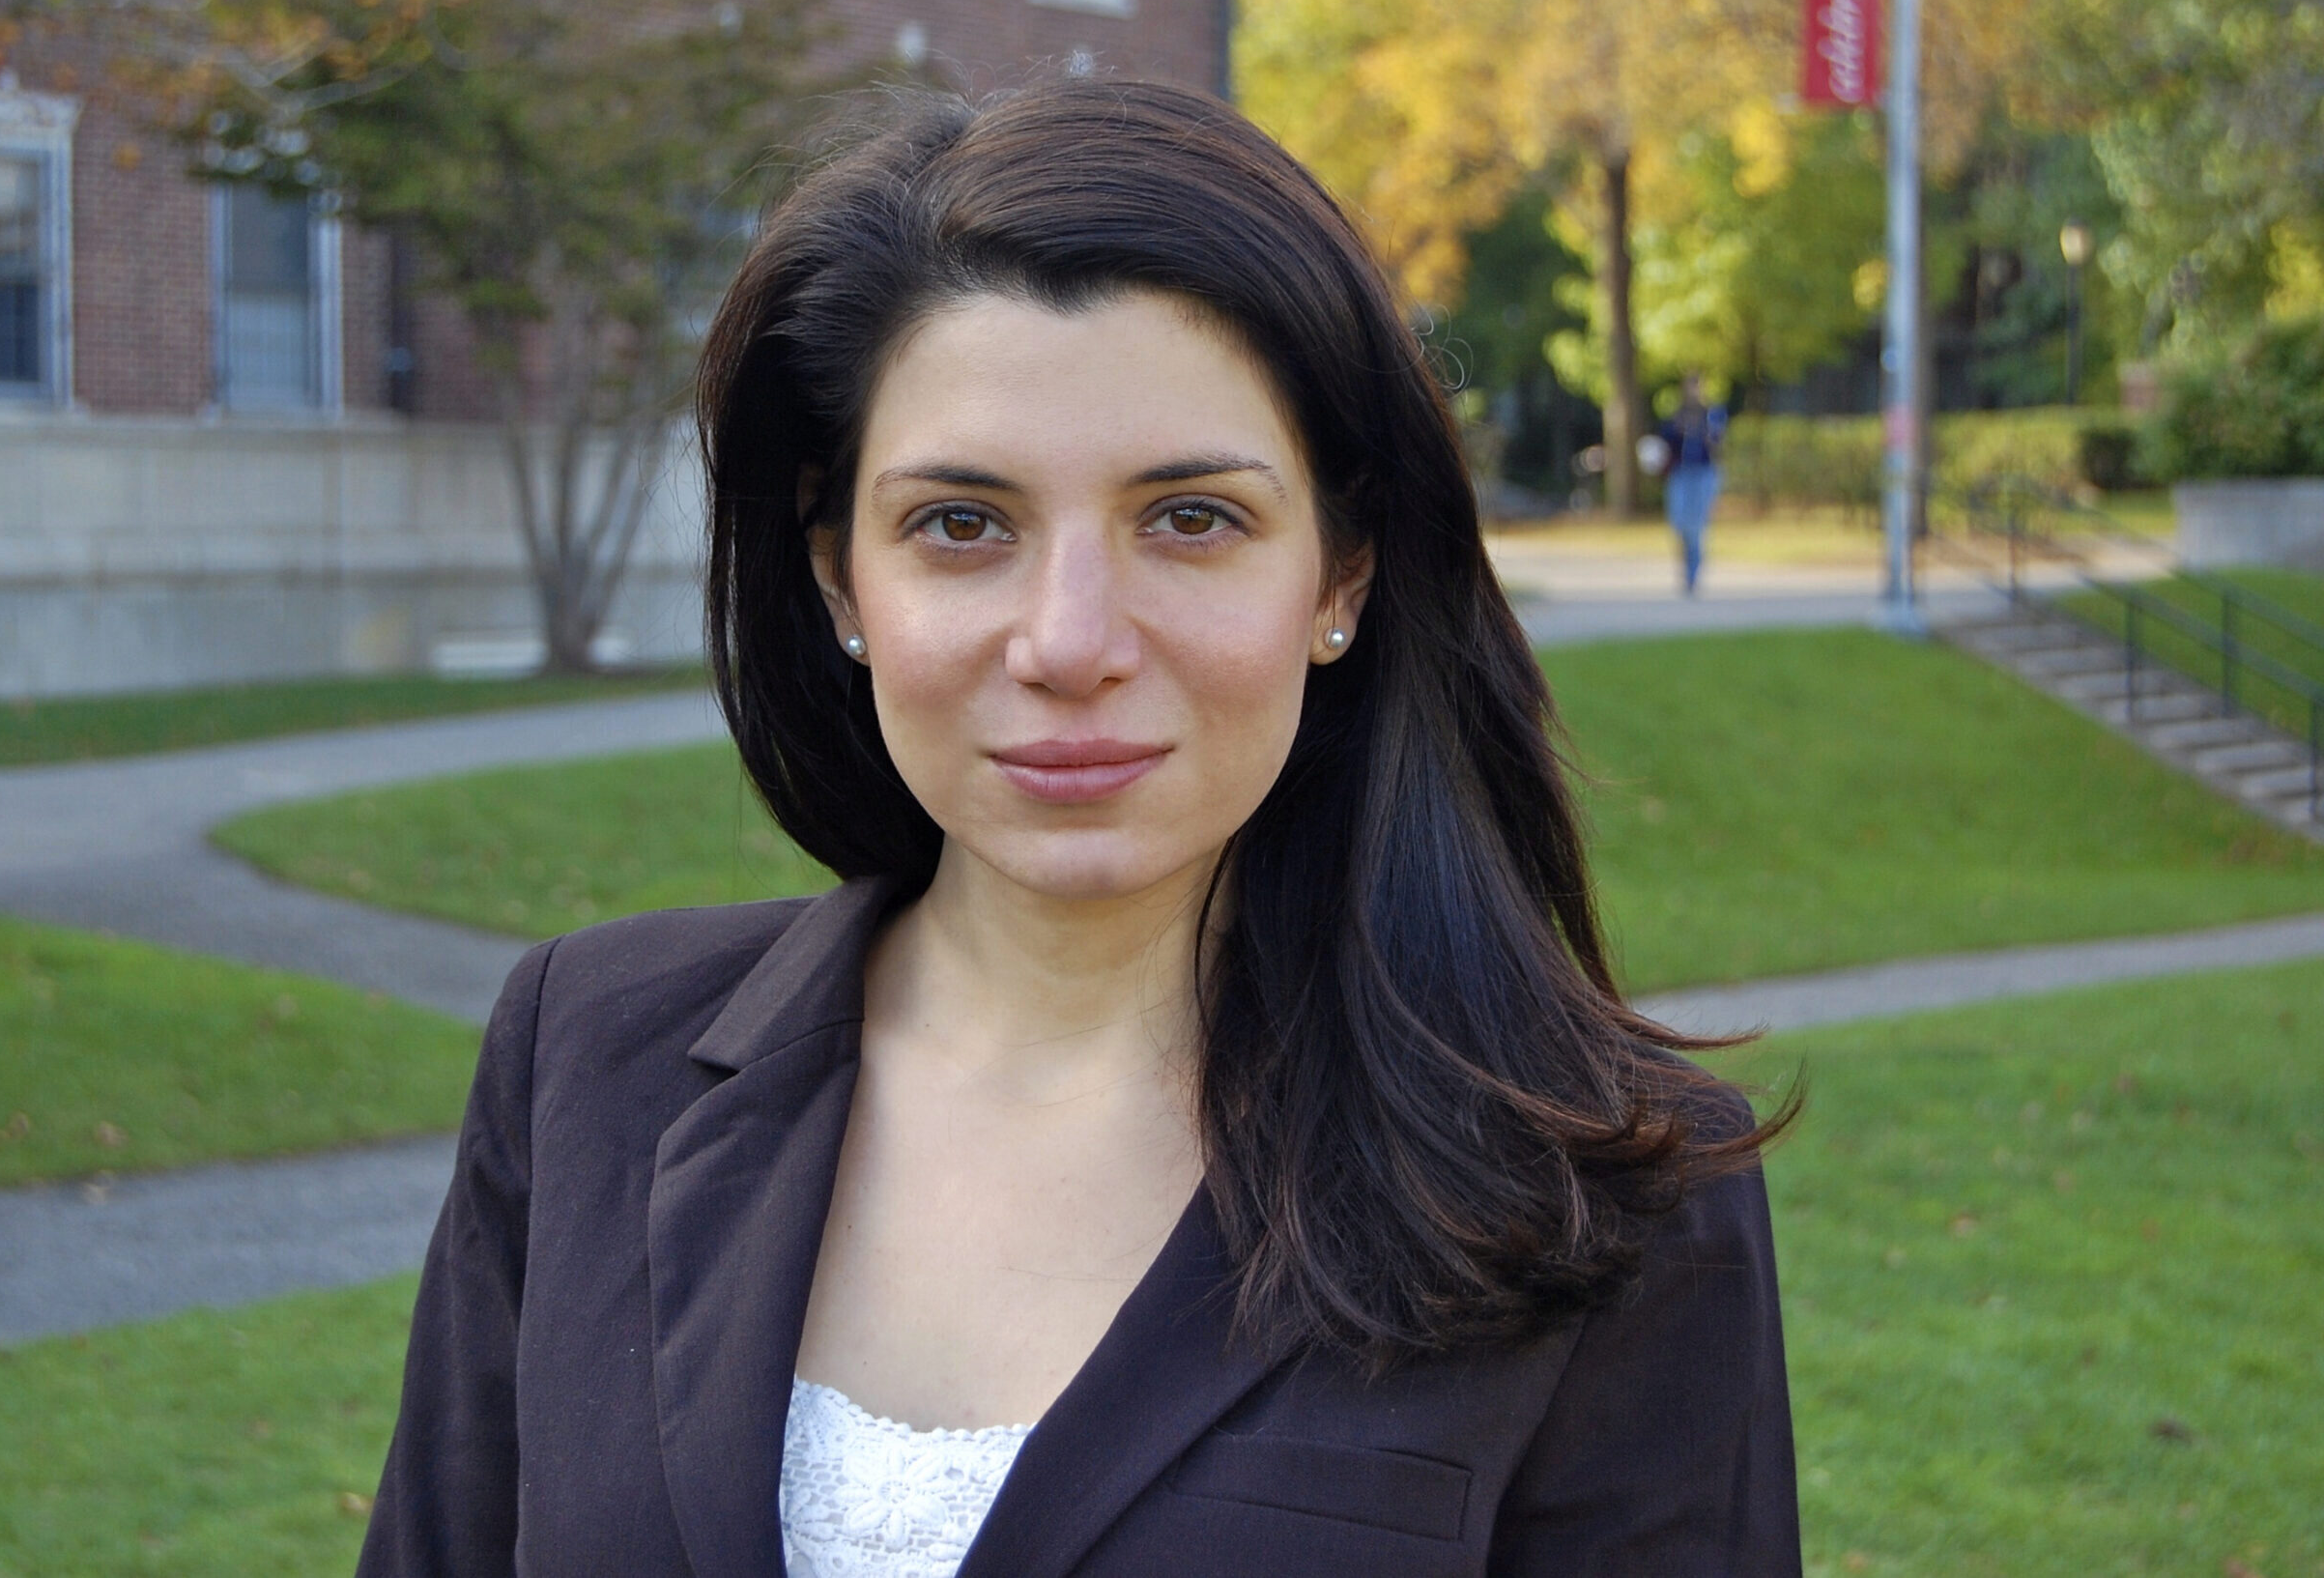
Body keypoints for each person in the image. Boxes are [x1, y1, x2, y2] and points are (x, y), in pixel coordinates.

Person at [359, 79, 1798, 1578]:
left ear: (1342, 573)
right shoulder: (588, 1056)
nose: (1068, 641)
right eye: (961, 524)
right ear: (842, 575)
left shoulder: (1605, 1188)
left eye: (1190, 518)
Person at [1660, 374, 1729, 595]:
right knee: (1679, 522)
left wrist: (1705, 433)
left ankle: (1693, 574)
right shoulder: (1677, 415)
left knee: (1697, 525)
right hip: (1681, 473)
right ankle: (1686, 564)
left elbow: (1718, 442)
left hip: (1703, 473)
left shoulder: (1711, 414)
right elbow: (1665, 441)